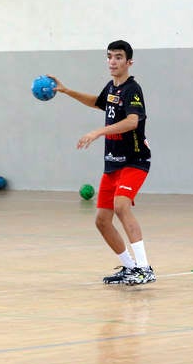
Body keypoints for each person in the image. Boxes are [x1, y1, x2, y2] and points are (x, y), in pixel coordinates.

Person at [50, 40, 155, 285]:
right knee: (101, 221)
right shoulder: (111, 88)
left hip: (134, 159)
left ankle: (145, 267)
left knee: (121, 207)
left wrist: (98, 132)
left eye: (118, 57)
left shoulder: (132, 89)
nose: (112, 61)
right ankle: (130, 268)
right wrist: (67, 91)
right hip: (113, 164)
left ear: (129, 62)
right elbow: (98, 102)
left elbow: (132, 122)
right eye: (109, 57)